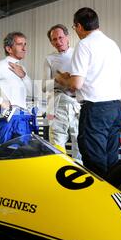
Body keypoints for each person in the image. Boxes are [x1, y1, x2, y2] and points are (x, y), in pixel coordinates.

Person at [56, 7, 121, 177]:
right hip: (116, 107)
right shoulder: (112, 44)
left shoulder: (84, 44)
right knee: (110, 157)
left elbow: (76, 84)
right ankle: (113, 196)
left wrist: (61, 79)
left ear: (79, 26)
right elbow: (98, 75)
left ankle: (98, 200)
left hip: (95, 110)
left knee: (94, 160)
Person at [43, 24, 81, 160]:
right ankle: (59, 170)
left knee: (79, 139)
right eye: (54, 39)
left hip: (78, 102)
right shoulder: (49, 59)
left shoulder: (78, 53)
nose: (58, 42)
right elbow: (44, 86)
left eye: (60, 37)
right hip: (58, 102)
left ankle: (80, 170)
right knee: (57, 140)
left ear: (67, 37)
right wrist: (58, 79)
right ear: (51, 42)